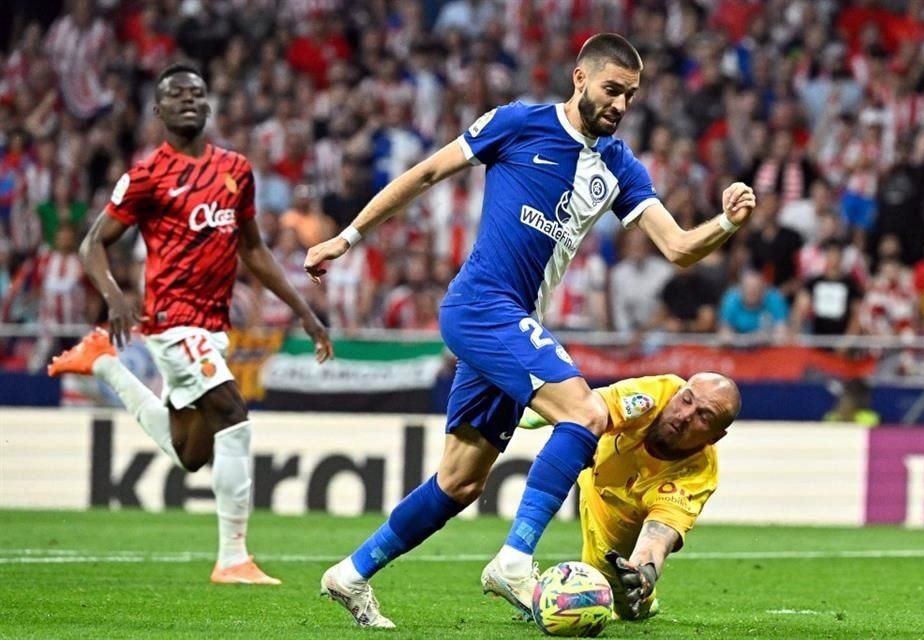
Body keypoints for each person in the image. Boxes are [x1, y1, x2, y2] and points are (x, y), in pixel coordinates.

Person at [305, 33, 756, 628]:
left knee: (460, 482)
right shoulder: (518, 123)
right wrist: (349, 236)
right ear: (580, 78)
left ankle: (352, 573)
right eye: (612, 89)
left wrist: (726, 220)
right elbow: (425, 174)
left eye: (631, 95)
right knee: (587, 416)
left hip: (513, 320)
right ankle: (515, 560)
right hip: (481, 305)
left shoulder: (619, 165)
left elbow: (677, 247)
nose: (621, 104)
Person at [47, 63, 333, 585]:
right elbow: (93, 245)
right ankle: (232, 559)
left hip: (212, 326)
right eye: (176, 95)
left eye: (197, 93)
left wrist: (308, 315)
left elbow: (255, 251)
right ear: (158, 110)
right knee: (232, 411)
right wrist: (113, 297)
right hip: (169, 322)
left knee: (192, 453)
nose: (188, 101)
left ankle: (106, 366)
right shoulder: (147, 174)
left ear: (208, 105)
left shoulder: (235, 170)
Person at [517, 372, 741, 620]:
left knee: (627, 607)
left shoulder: (695, 476)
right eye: (686, 399)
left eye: (704, 416)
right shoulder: (652, 394)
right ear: (678, 391)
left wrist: (645, 571)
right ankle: (514, 560)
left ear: (715, 437)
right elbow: (592, 406)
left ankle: (645, 602)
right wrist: (547, 411)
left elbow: (659, 535)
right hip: (592, 469)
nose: (686, 415)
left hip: (618, 524)